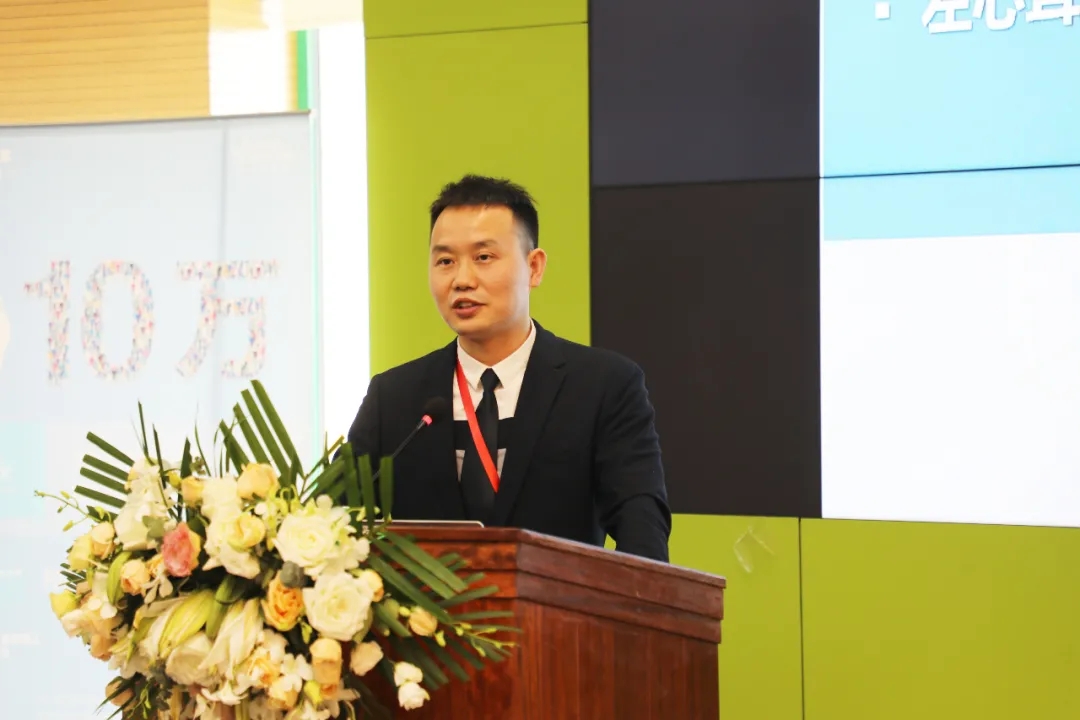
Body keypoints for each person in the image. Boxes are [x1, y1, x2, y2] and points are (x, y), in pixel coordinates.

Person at [347, 174, 671, 562]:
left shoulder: (604, 387)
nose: (462, 280)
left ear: (534, 267)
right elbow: (334, 523)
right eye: (445, 261)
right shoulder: (394, 398)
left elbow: (643, 536)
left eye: (483, 258)